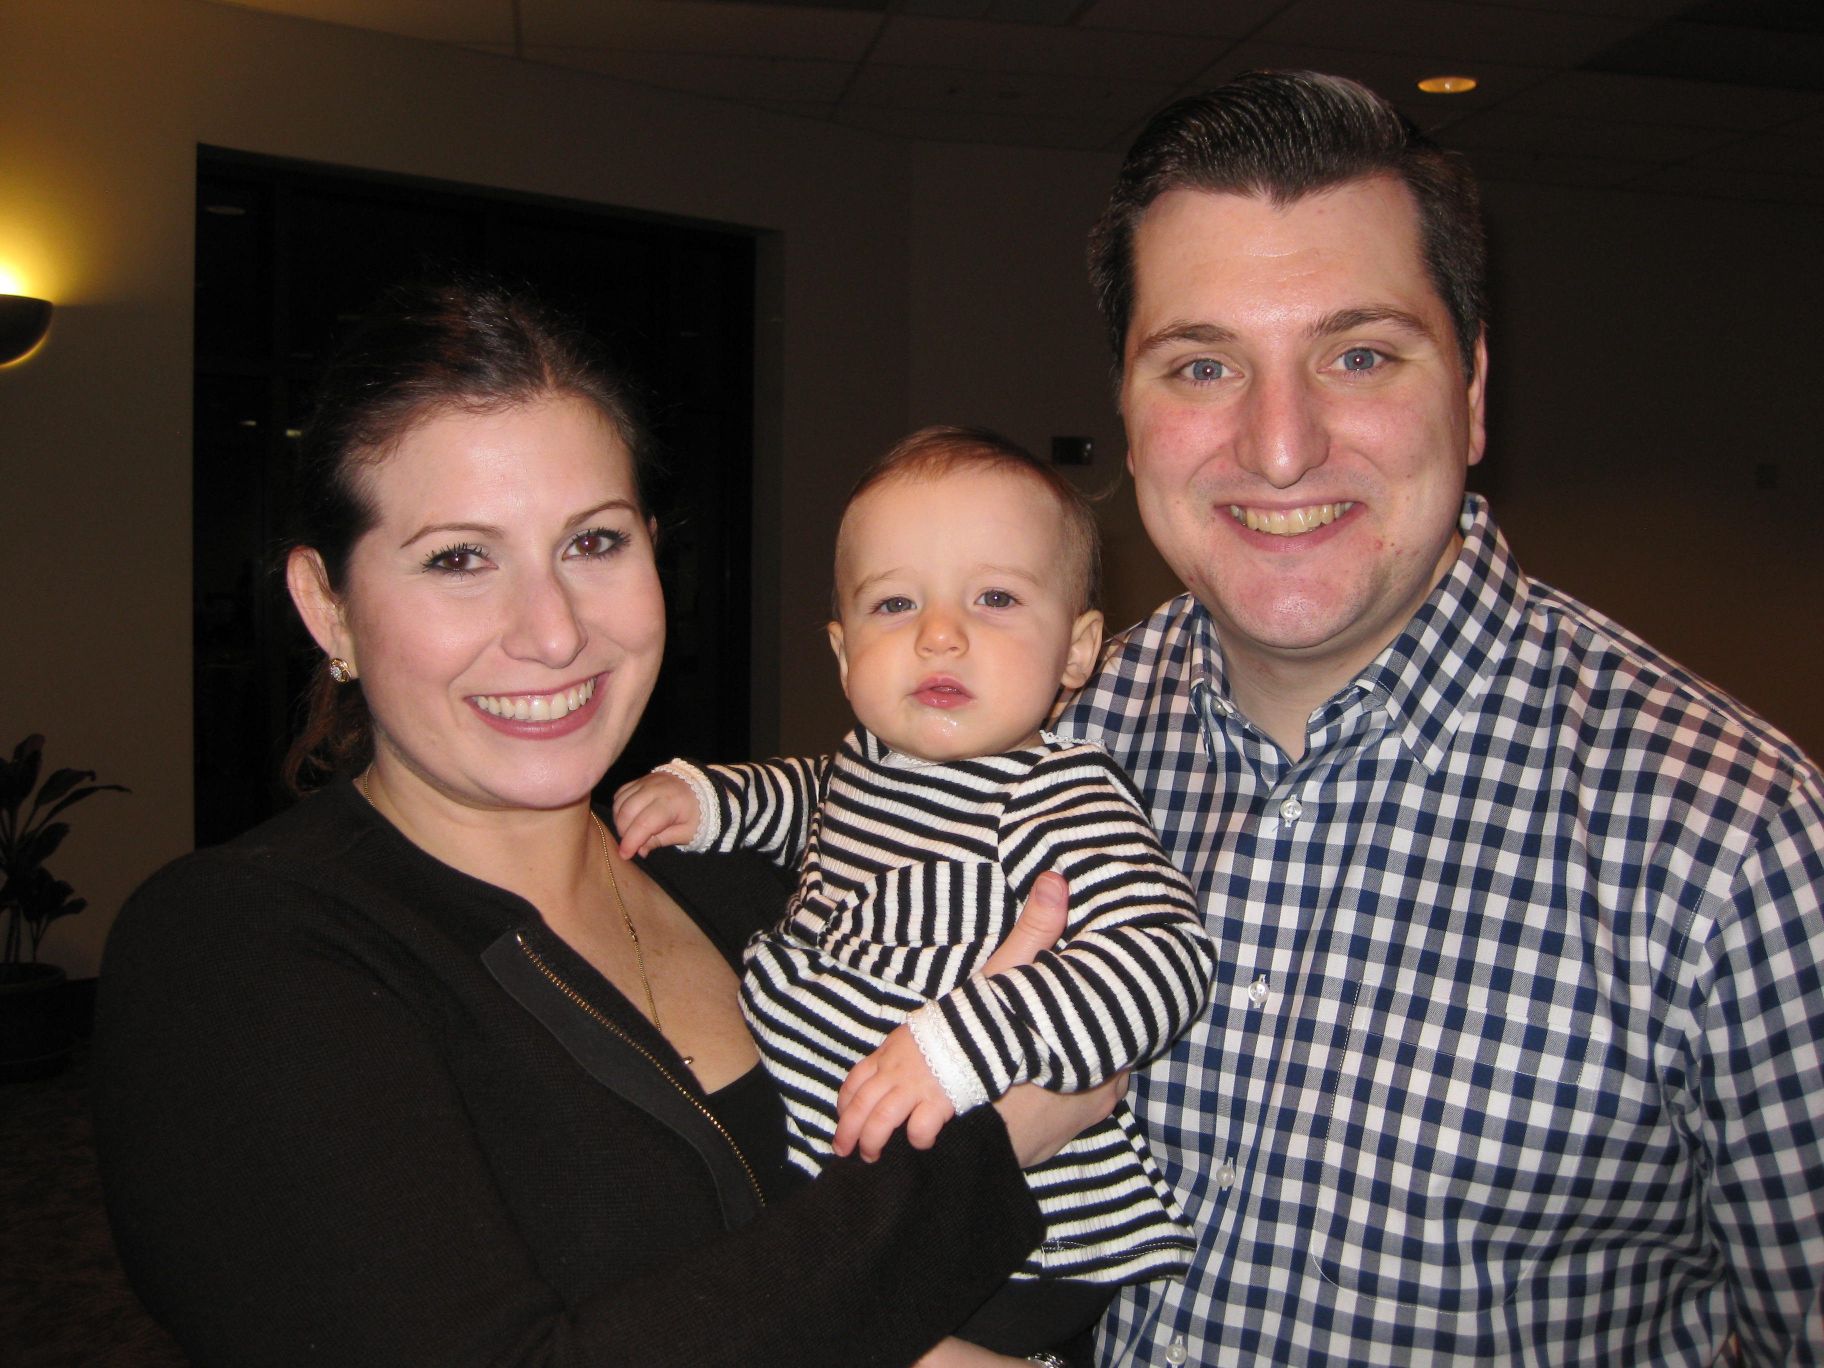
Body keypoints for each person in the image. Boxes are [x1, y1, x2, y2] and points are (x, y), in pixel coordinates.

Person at [91, 281, 1120, 1368]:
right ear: (326, 605)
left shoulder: (756, 881)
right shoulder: (238, 947)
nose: (553, 632)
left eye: (593, 544)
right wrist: (985, 1153)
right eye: (459, 558)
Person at [1056, 68, 1824, 1365]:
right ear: (1129, 417)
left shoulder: (1740, 849)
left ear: (1470, 393)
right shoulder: (1047, 747)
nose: (1281, 447)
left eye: (1359, 355)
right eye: (1202, 365)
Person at [614, 427, 1218, 1362]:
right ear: (843, 650)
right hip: (851, 1209)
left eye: (995, 598)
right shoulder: (868, 766)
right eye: (895, 603)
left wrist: (964, 1043)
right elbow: (810, 794)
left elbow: (1162, 960)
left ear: (1076, 650)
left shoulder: (1057, 795)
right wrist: (713, 800)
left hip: (1013, 1242)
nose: (939, 634)